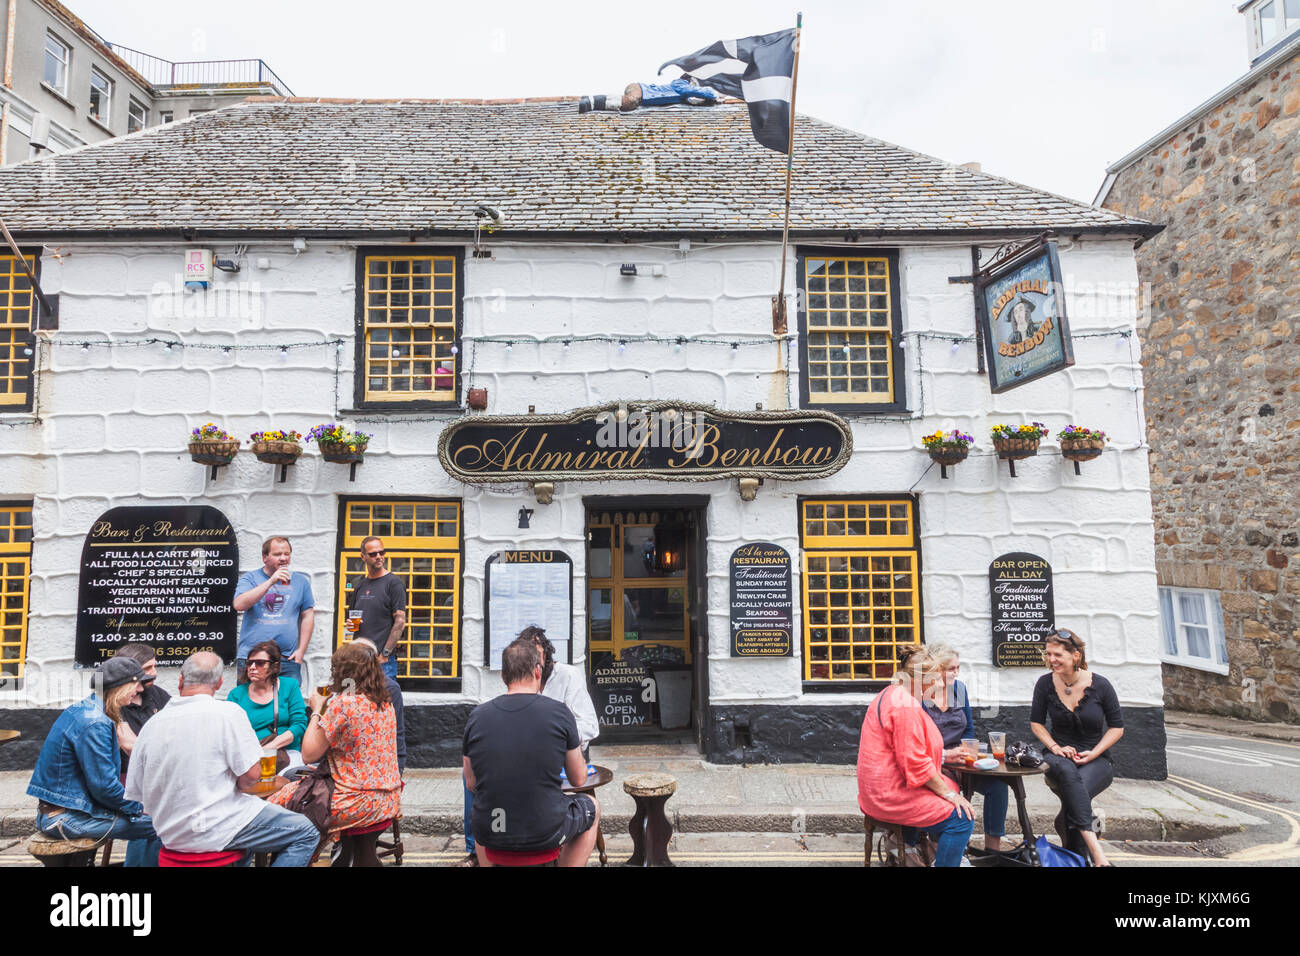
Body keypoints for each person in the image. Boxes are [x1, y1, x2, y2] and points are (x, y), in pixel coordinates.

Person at [125, 651, 320, 866]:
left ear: (180, 680)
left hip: (170, 834)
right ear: (218, 683)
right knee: (306, 832)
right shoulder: (228, 713)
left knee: (245, 842)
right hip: (219, 826)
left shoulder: (152, 725)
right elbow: (251, 776)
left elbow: (137, 793)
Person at [456, 625, 600, 867]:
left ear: (503, 676)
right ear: (536, 670)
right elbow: (578, 779)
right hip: (545, 829)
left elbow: (471, 783)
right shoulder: (559, 713)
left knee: (481, 814)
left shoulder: (477, 716)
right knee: (591, 806)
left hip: (492, 826)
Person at [28, 657, 161, 866]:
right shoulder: (95, 722)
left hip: (64, 813)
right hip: (66, 819)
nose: (140, 690)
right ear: (121, 686)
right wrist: (140, 807)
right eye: (136, 684)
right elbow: (104, 788)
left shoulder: (86, 710)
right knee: (163, 825)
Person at [268, 642, 402, 842]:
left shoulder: (344, 704)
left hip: (355, 800)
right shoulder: (384, 702)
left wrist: (316, 709)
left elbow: (308, 754)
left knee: (275, 807)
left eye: (334, 669)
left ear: (344, 672)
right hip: (389, 799)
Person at [857, 644, 974, 867]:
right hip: (889, 795)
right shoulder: (905, 707)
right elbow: (915, 764)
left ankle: (926, 850)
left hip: (878, 788)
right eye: (936, 679)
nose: (940, 684)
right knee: (962, 819)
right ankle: (943, 856)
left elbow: (906, 754)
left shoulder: (891, 692)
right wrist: (950, 796)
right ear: (921, 679)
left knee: (952, 788)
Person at [1030, 628, 1124, 867]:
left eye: (1057, 655)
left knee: (1075, 794)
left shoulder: (1101, 685)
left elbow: (1117, 727)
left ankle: (1074, 853)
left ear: (1076, 655)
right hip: (1056, 755)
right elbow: (1036, 723)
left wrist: (1095, 752)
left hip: (1096, 757)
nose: (1051, 660)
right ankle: (1097, 855)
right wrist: (1055, 746)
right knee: (1069, 774)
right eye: (1048, 654)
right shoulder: (1044, 684)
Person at [922, 644, 1009, 852]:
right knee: (947, 791)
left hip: (960, 759)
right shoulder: (921, 696)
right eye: (951, 668)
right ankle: (941, 849)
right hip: (933, 761)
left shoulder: (959, 689)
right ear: (937, 669)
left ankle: (992, 850)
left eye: (958, 668)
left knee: (998, 786)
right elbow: (916, 741)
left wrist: (967, 752)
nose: (956, 673)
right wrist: (944, 758)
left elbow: (968, 728)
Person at [233, 535, 316, 684]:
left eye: (287, 554)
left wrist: (301, 651)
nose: (283, 558)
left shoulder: (300, 582)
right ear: (265, 557)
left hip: (286, 659)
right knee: (250, 703)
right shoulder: (250, 578)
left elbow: (307, 615)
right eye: (277, 554)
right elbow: (239, 604)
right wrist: (271, 581)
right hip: (252, 658)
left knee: (287, 704)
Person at [225, 641, 308, 767]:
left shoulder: (289, 686)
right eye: (249, 663)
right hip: (250, 757)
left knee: (292, 778)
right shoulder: (236, 695)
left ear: (274, 667)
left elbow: (299, 725)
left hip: (286, 754)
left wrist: (267, 750)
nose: (252, 667)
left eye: (259, 663)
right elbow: (231, 734)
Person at [346, 536, 406, 681]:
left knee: (383, 702)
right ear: (363, 557)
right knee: (361, 702)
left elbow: (400, 622)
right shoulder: (360, 584)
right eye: (373, 554)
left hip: (382, 662)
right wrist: (351, 626)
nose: (379, 557)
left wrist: (385, 654)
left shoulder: (393, 583)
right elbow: (353, 620)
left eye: (382, 552)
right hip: (359, 660)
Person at [112, 643, 171, 775]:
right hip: (125, 775)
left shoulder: (157, 694)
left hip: (158, 772)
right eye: (148, 668)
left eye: (154, 666)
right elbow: (129, 745)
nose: (154, 673)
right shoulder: (111, 701)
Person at [351, 637, 407, 774]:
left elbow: (397, 729)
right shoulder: (344, 686)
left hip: (377, 762)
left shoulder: (389, 688)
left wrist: (398, 764)